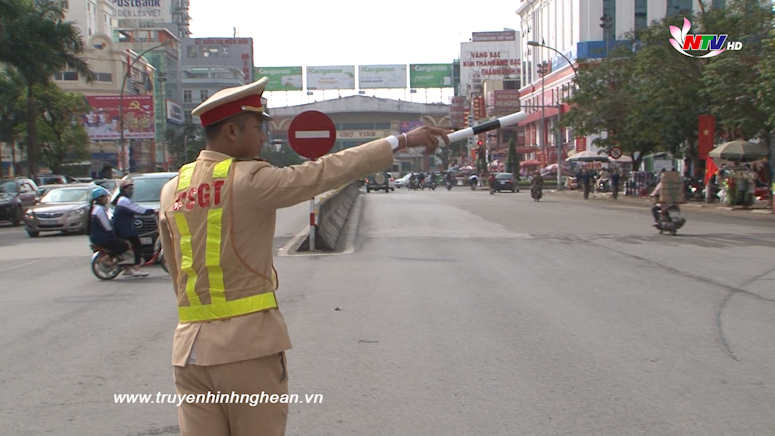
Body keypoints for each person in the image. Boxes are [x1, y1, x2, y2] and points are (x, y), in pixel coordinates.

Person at [158, 77, 450, 436]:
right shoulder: (249, 179)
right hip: (245, 351)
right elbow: (326, 171)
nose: (264, 137)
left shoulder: (173, 189)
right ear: (232, 132)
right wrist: (401, 140)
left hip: (188, 353)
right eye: (257, 128)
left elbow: (175, 268)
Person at [112, 179, 153, 277]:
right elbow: (137, 209)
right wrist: (152, 211)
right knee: (137, 246)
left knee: (134, 245)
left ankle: (128, 269)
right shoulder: (124, 201)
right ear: (124, 190)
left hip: (124, 228)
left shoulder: (122, 200)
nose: (131, 191)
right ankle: (135, 268)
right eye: (129, 189)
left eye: (132, 189)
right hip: (124, 229)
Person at [88, 186, 130, 259]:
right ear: (100, 198)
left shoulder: (95, 208)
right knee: (125, 245)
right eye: (105, 197)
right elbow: (107, 227)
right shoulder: (99, 210)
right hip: (102, 238)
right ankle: (119, 262)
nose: (107, 199)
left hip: (96, 237)